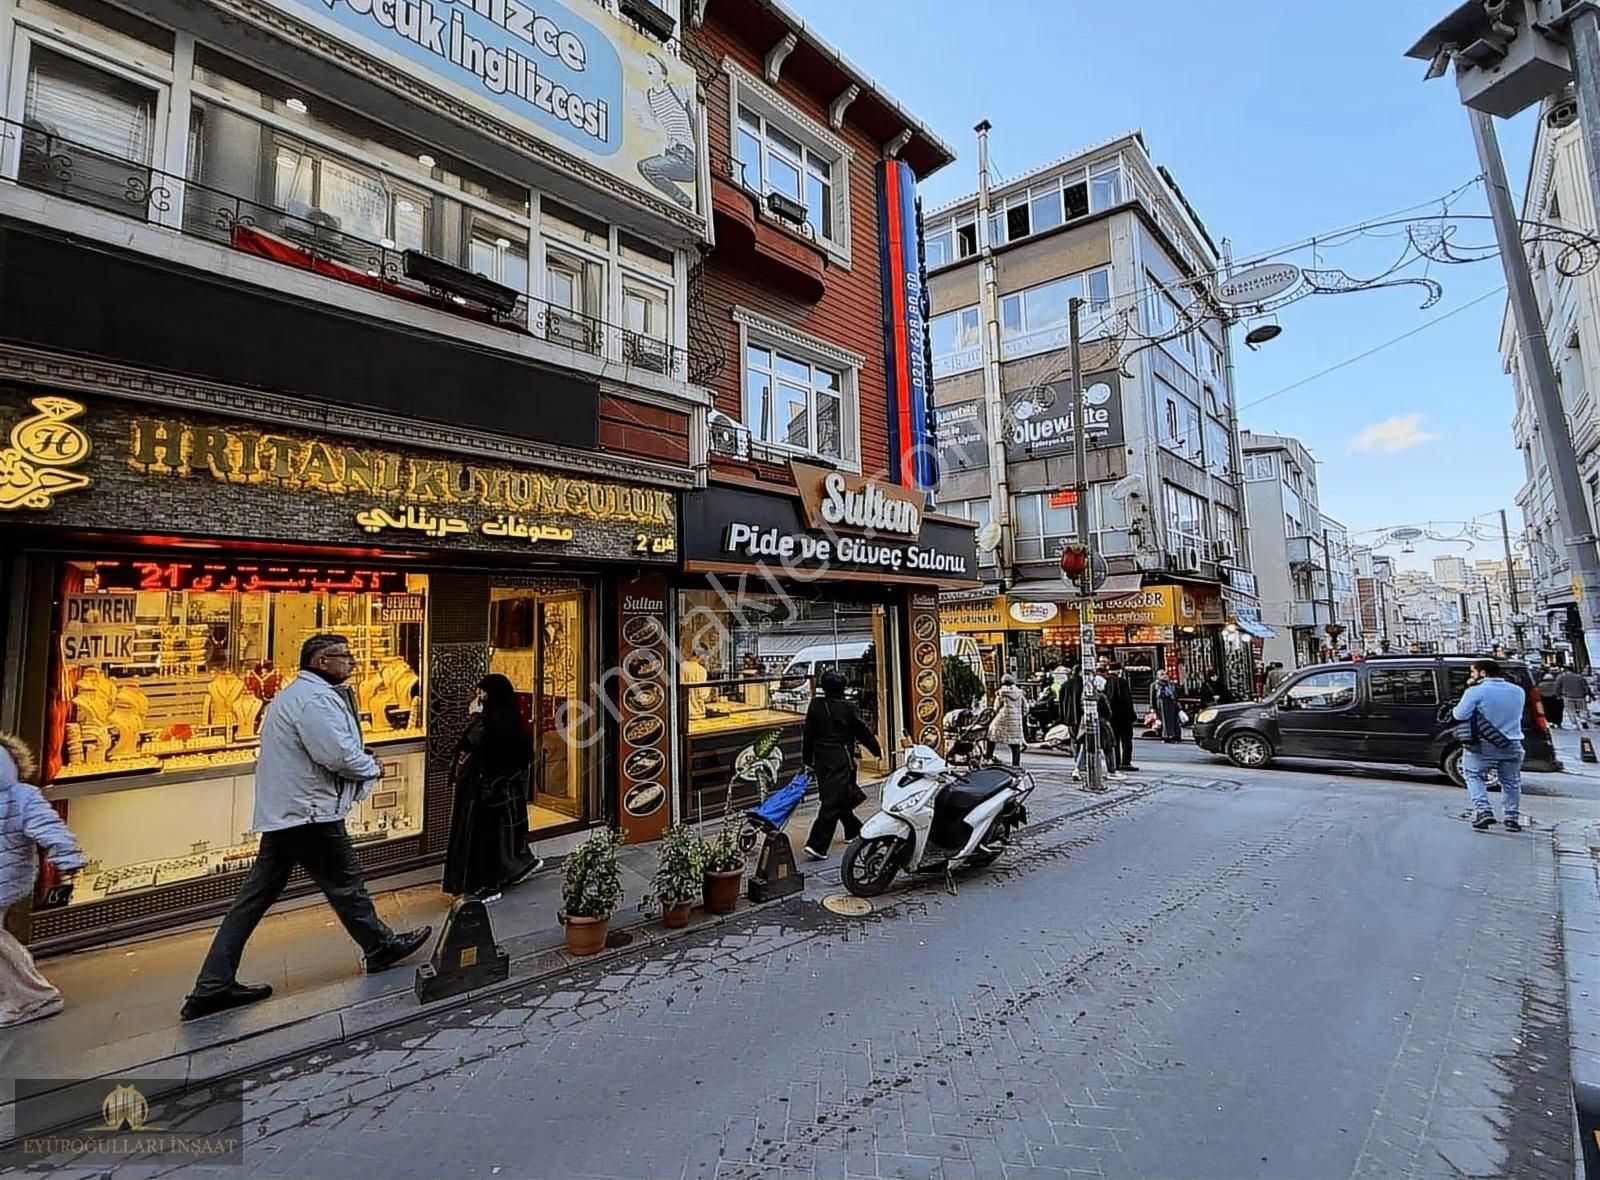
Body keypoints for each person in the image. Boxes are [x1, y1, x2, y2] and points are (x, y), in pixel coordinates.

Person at [181, 634, 432, 1021]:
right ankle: (380, 944)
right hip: (309, 811)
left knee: (257, 897)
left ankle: (212, 983)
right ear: (321, 661)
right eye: (343, 657)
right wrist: (371, 767)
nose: (351, 662)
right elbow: (336, 753)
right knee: (345, 883)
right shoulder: (313, 700)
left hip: (291, 812)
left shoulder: (298, 695)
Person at [0, 735, 85, 1028]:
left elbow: (49, 826)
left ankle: (35, 997)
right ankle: (25, 994)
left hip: (5, 876)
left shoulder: (18, 796)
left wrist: (68, 857)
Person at [443, 674, 541, 905]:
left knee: (484, 840)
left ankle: (487, 884)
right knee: (503, 837)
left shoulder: (489, 723)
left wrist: (474, 715)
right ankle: (513, 869)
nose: (479, 696)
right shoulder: (513, 721)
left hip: (486, 792)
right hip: (504, 792)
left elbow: (473, 743)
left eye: (483, 693)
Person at [802, 669, 883, 860]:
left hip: (821, 759)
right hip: (841, 759)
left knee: (837, 796)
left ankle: (854, 829)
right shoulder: (848, 707)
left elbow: (808, 733)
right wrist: (876, 750)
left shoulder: (815, 705)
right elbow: (862, 731)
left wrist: (807, 758)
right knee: (832, 803)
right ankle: (817, 845)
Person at [1452, 658, 1526, 831]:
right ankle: (1511, 818)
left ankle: (1484, 810)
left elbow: (1459, 715)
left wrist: (1469, 687)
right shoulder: (1517, 691)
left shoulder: (1475, 692)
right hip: (1513, 742)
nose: (1471, 675)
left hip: (1484, 744)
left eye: (1473, 672)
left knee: (1473, 775)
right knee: (1511, 782)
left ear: (1482, 673)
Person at [634, 54, 697, 210]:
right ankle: (683, 202)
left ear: (663, 75)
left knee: (647, 167)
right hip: (672, 153)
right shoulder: (650, 96)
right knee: (646, 166)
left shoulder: (676, 90)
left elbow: (695, 93)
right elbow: (652, 124)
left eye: (653, 65)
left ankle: (684, 201)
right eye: (648, 64)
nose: (649, 67)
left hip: (687, 156)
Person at [986, 674, 1028, 767]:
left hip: (1003, 718)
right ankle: (1016, 764)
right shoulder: (1019, 693)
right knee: (1015, 743)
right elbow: (1026, 708)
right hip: (1016, 721)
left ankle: (988, 756)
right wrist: (1019, 716)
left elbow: (996, 707)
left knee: (992, 734)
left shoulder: (1001, 693)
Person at [1103, 661, 1138, 772]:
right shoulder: (1122, 682)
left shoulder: (1106, 682)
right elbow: (1127, 701)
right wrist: (1132, 715)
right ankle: (1126, 762)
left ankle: (1116, 763)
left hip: (1111, 717)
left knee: (1115, 741)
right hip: (1124, 717)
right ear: (1119, 671)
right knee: (1127, 741)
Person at [1151, 669, 1182, 742]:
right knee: (1164, 720)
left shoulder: (1170, 684)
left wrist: (1177, 702)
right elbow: (1152, 697)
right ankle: (1166, 736)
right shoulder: (1155, 685)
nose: (1165, 676)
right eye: (1162, 674)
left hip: (1171, 703)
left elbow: (1175, 694)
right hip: (1161, 704)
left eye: (1166, 674)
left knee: (1173, 720)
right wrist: (1152, 707)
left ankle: (1173, 735)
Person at [1557, 665, 1591, 730]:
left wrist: (1558, 694)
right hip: (1580, 696)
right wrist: (1587, 693)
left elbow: (1557, 686)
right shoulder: (1579, 677)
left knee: (1570, 710)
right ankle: (1583, 720)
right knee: (1582, 709)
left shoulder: (1561, 677)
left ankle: (1574, 724)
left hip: (1567, 696)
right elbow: (1585, 686)